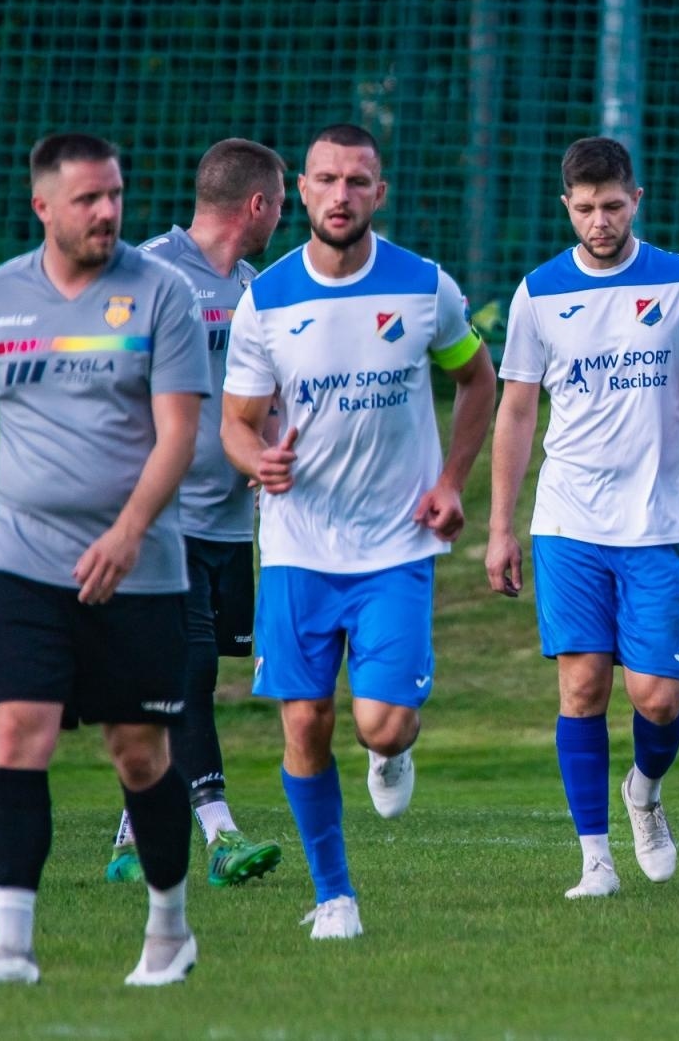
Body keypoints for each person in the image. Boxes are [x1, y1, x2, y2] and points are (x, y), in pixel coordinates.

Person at [0, 133, 208, 985]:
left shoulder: (164, 295)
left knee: (138, 751)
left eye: (115, 194)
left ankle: (169, 930)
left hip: (141, 567)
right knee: (19, 732)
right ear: (42, 204)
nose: (109, 212)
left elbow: (180, 434)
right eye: (89, 198)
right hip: (23, 560)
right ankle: (11, 948)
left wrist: (127, 532)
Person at [221, 124, 496, 939]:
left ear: (380, 192)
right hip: (299, 545)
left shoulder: (423, 286)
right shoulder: (265, 297)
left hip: (395, 545)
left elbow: (476, 380)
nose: (341, 195)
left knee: (383, 721)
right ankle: (335, 894)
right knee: (304, 720)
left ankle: (391, 749)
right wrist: (257, 460)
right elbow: (237, 423)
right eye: (327, 180)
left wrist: (451, 481)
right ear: (301, 191)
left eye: (358, 181)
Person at [487, 136, 679, 900]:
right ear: (567, 206)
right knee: (583, 688)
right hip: (567, 522)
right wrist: (501, 523)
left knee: (658, 698)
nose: (600, 221)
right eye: (586, 208)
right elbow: (518, 410)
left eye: (613, 206)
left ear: (636, 201)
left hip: (658, 522)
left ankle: (645, 791)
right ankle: (595, 859)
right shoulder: (538, 293)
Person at [106, 138, 288, 889]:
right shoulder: (148, 271)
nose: (285, 215)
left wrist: (275, 452)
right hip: (163, 521)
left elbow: (262, 398)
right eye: (281, 201)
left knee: (191, 681)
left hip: (228, 524)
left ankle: (128, 836)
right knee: (190, 668)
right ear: (257, 205)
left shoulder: (255, 286)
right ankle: (218, 832)